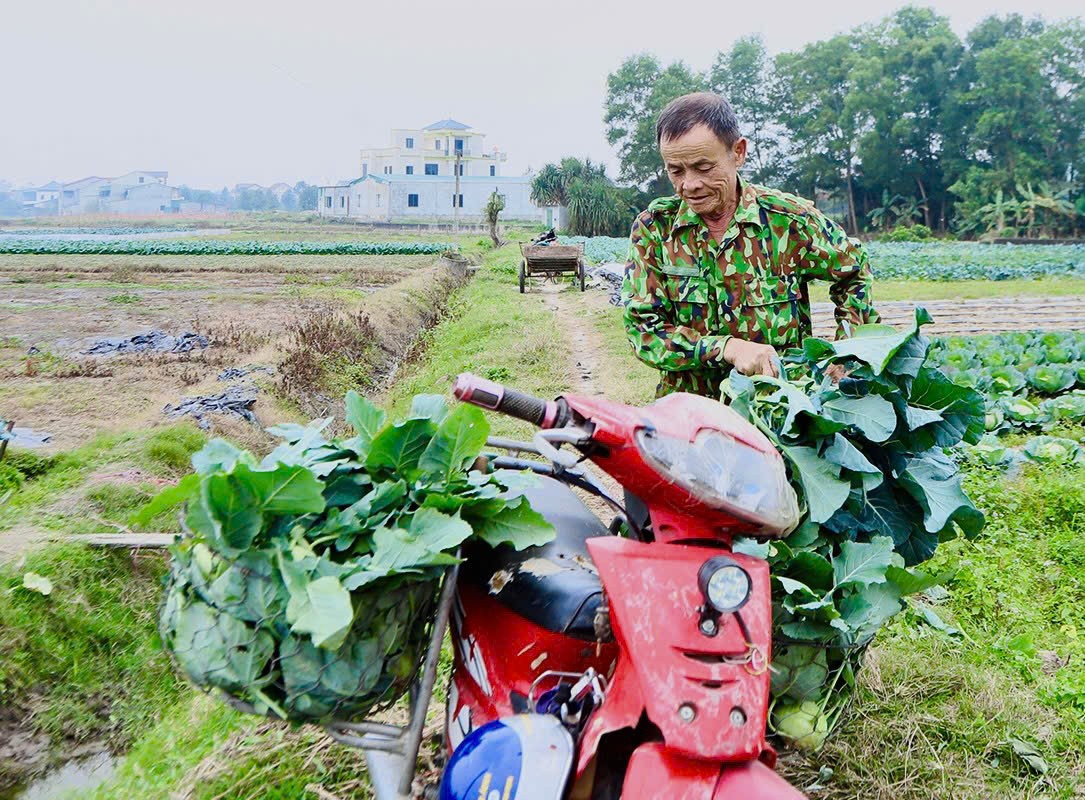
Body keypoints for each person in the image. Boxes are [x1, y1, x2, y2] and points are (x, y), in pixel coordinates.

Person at [622, 92, 879, 398]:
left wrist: (845, 355)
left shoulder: (789, 221)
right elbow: (644, 332)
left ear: (738, 152)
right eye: (675, 170)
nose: (689, 184)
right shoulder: (655, 229)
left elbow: (855, 271)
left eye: (703, 168)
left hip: (777, 412)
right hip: (691, 416)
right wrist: (726, 347)